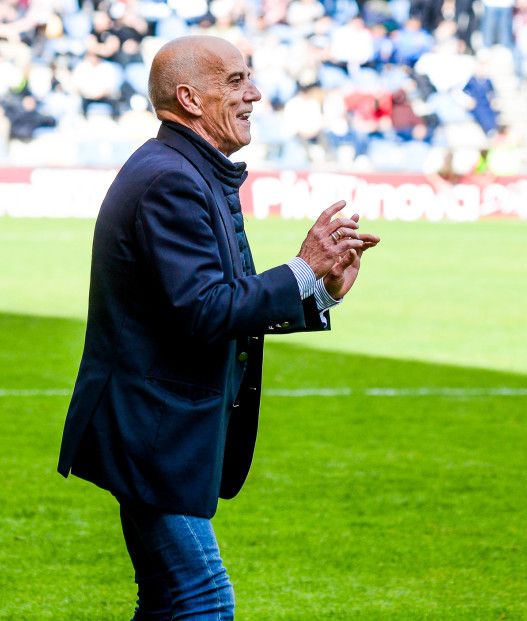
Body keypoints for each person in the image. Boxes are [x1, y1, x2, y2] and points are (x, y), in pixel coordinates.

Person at [56, 35, 380, 620]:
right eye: (234, 81)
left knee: (165, 602)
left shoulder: (185, 170)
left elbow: (220, 301)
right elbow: (205, 310)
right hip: (154, 434)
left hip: (154, 430)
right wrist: (302, 268)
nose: (254, 92)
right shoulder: (171, 180)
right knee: (204, 601)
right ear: (189, 98)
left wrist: (318, 288)